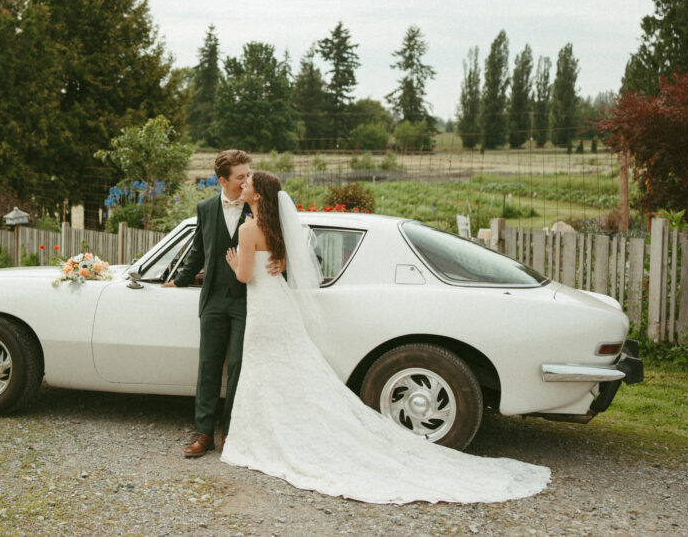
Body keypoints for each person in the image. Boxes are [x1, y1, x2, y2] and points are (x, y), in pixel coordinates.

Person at [221, 171, 551, 504]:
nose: (243, 184)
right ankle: (289, 427)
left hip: (264, 309)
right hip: (282, 308)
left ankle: (271, 432)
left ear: (258, 195)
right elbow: (289, 256)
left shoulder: (249, 229)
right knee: (288, 370)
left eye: (247, 183)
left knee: (264, 370)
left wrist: (235, 262)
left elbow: (246, 276)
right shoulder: (278, 228)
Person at [162, 150, 282, 457]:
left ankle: (231, 432)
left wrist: (283, 261)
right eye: (240, 176)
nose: (246, 180)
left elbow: (282, 241)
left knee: (240, 367)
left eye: (247, 175)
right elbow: (198, 251)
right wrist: (180, 279)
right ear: (223, 180)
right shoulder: (205, 208)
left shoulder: (259, 207)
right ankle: (203, 433)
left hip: (247, 300)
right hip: (214, 298)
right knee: (209, 366)